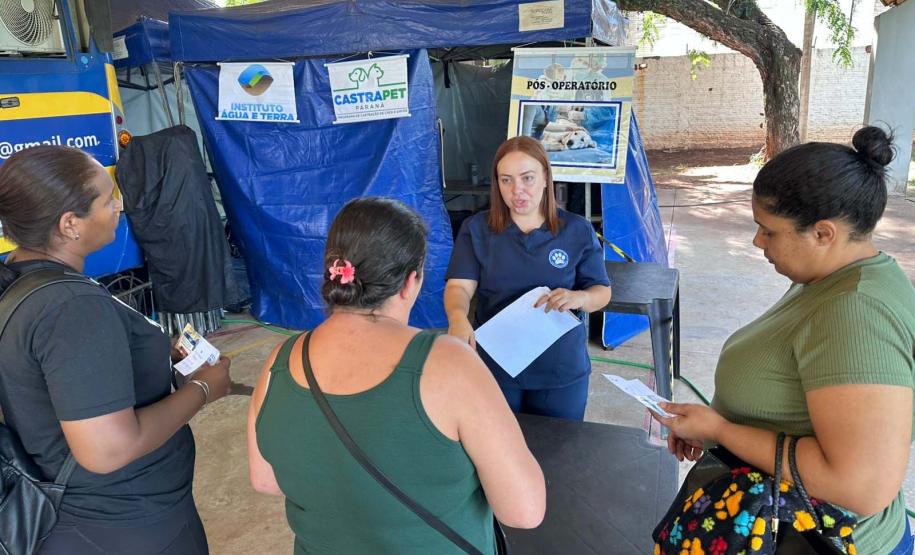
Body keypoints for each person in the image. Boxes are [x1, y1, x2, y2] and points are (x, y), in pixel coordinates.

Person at [651, 126, 915, 555]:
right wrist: (720, 434)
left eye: (768, 230)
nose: (758, 241)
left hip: (825, 542)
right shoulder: (830, 278)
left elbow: (862, 485)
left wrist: (722, 428)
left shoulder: (855, 310)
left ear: (823, 233)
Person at [247, 197, 545, 554]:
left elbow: (265, 479)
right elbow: (524, 511)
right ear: (410, 282)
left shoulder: (278, 361)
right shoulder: (450, 364)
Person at [0, 145, 231, 554]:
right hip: (123, 524)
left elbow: (58, 384)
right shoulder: (71, 308)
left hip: (88, 517)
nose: (119, 206)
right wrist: (206, 389)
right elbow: (108, 450)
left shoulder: (22, 281)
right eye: (107, 199)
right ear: (70, 224)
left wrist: (153, 363)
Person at [444, 136, 611, 421]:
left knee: (561, 451)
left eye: (527, 178)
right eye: (506, 180)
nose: (517, 190)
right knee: (496, 451)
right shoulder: (477, 230)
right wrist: (458, 319)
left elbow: (601, 292)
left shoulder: (576, 230)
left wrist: (579, 297)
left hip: (560, 369)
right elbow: (459, 286)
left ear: (546, 177)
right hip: (497, 363)